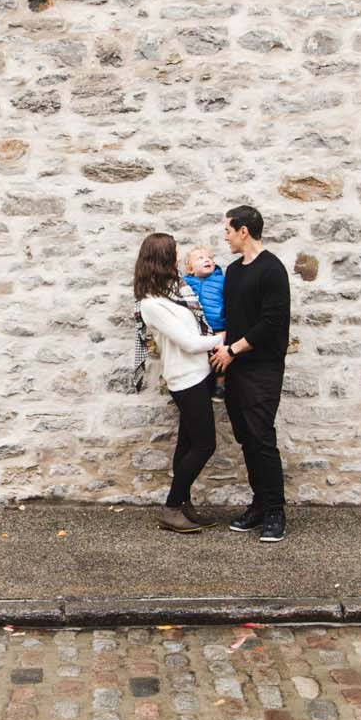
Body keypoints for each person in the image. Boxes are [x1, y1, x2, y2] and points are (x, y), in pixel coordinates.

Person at [131, 232, 225, 533]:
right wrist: (220, 340)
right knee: (204, 444)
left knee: (187, 443)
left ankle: (183, 504)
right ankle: (172, 507)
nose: (176, 258)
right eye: (173, 254)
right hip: (185, 379)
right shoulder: (152, 304)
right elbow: (187, 341)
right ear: (161, 260)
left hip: (202, 374)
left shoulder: (176, 290)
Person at [210, 205, 291, 543]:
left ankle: (276, 512)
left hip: (262, 368)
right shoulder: (233, 271)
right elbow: (232, 318)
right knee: (246, 438)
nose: (225, 236)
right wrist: (220, 347)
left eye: (228, 230)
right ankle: (259, 504)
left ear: (244, 231)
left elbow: (270, 323)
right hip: (236, 369)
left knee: (262, 438)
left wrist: (233, 350)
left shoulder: (272, 270)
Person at [182, 246, 226, 333]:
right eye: (200, 258)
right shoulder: (185, 283)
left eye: (209, 257)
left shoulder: (221, 281)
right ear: (191, 269)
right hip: (194, 328)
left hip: (218, 328)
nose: (207, 260)